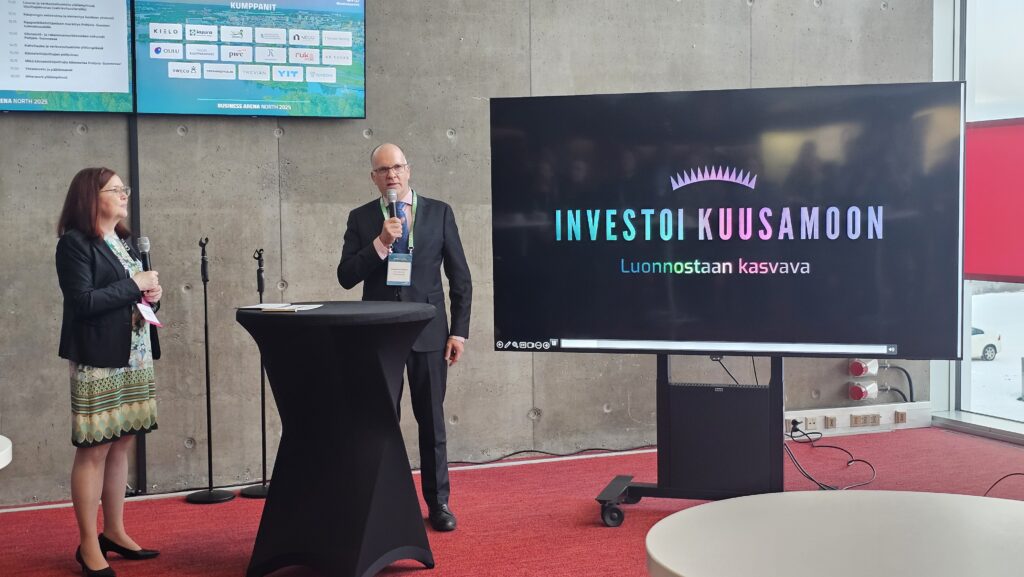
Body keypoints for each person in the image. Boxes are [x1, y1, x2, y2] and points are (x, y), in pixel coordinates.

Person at [338, 143, 472, 532]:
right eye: (383, 170)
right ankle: (383, 504)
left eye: (397, 167)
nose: (391, 175)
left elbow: (460, 278)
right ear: (374, 178)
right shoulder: (361, 218)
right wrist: (380, 244)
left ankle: (439, 503)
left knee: (432, 423)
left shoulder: (440, 212)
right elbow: (346, 277)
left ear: (408, 170)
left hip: (430, 334)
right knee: (381, 424)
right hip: (380, 338)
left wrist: (459, 332)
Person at [56, 168, 162, 576]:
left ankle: (114, 531)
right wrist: (135, 284)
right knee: (95, 447)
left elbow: (131, 295)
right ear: (90, 196)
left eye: (124, 189)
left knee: (122, 441)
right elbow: (82, 301)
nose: (124, 195)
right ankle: (88, 545)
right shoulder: (74, 244)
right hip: (98, 357)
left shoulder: (124, 241)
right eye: (116, 189)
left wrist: (151, 294)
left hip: (134, 354)